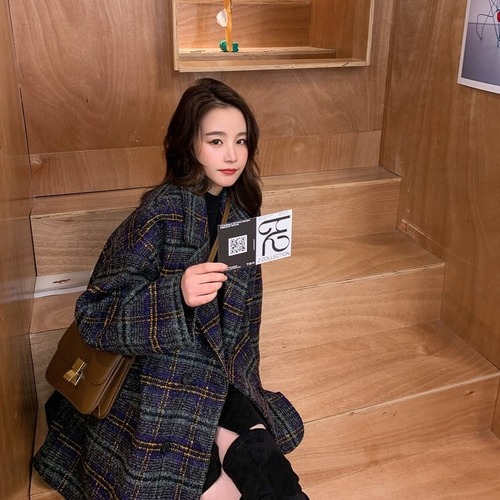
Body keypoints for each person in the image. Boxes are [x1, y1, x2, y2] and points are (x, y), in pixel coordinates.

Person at [33, 78, 307, 499]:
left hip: (218, 374)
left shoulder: (243, 212)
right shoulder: (160, 212)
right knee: (214, 487)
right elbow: (94, 315)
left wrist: (241, 384)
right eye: (216, 141)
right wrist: (174, 294)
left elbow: (243, 323)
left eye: (241, 141)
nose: (232, 155)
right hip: (153, 383)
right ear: (188, 144)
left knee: (265, 461)